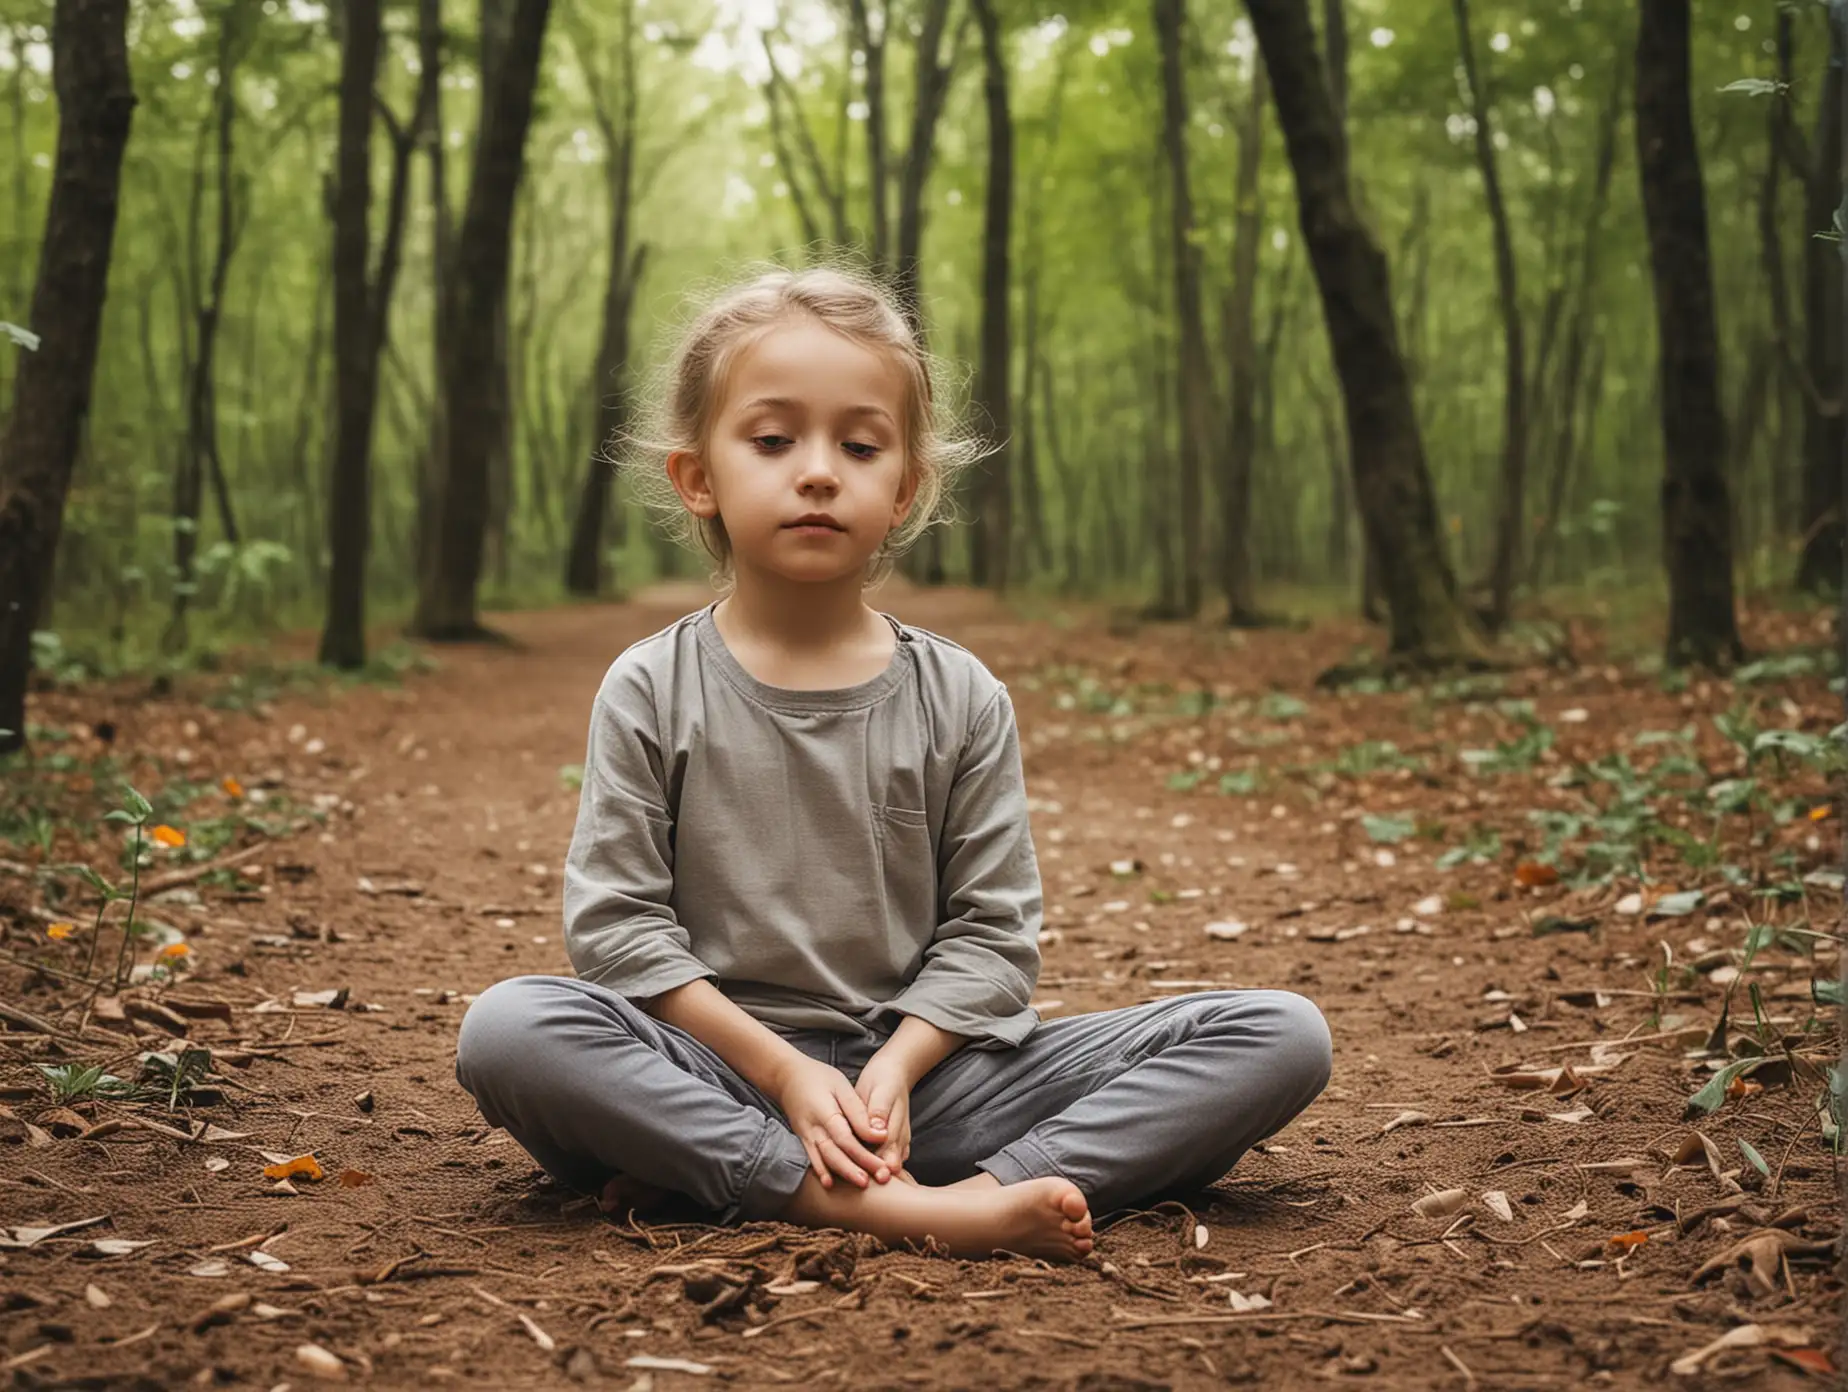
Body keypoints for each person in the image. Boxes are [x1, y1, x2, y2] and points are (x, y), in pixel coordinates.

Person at [455, 265, 1331, 1262]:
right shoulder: (651, 686)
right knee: (509, 1030)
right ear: (697, 474)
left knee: (1281, 1033)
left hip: (928, 1092)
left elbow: (994, 936)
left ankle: (863, 1183)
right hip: (711, 1072)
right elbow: (618, 930)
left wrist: (899, 1070)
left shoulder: (958, 696)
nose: (819, 470)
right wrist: (786, 1079)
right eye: (774, 439)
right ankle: (920, 1211)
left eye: (860, 444)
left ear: (905, 486)